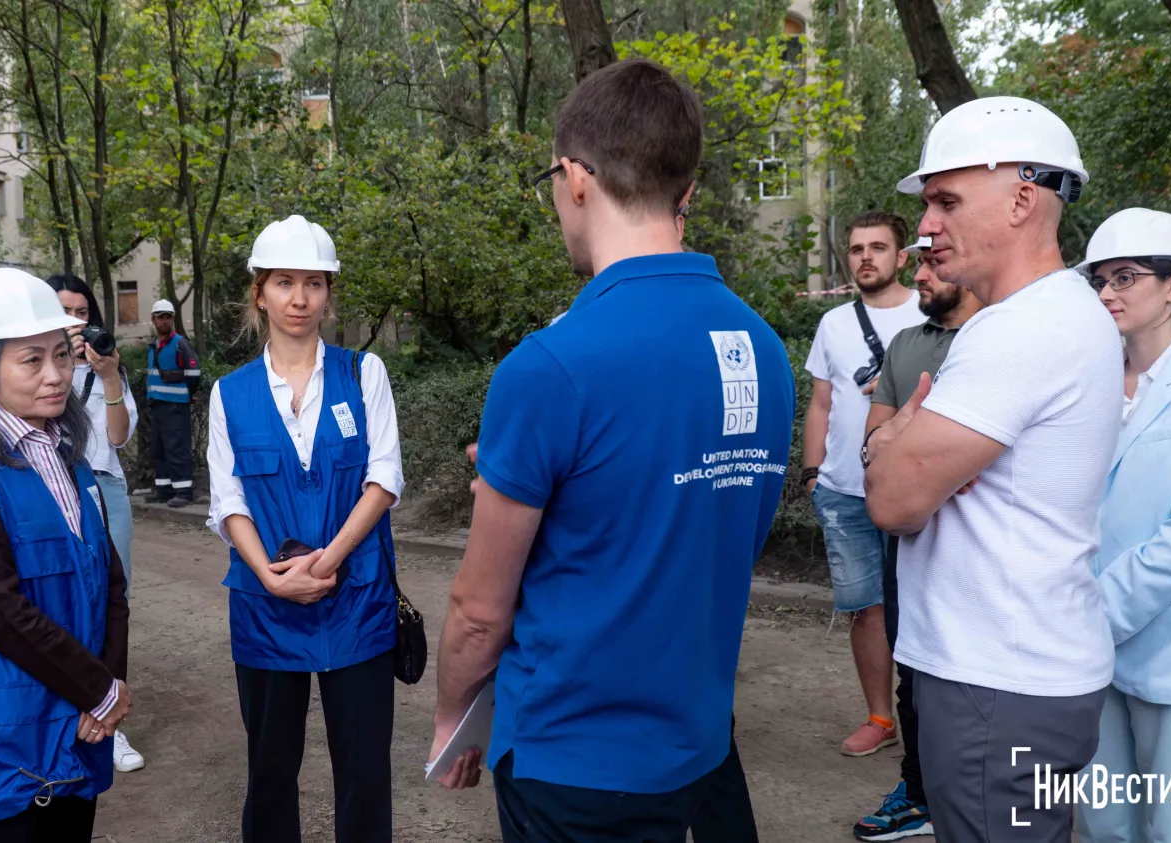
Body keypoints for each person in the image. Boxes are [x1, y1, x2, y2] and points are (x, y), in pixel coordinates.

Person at [430, 58, 793, 843]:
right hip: (700, 748)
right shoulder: (763, 349)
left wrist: (453, 719)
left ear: (574, 176)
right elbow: (705, 528)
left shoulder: (549, 366)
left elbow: (477, 612)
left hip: (575, 764)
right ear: (685, 190)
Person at [864, 96, 1120, 843]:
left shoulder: (1021, 330)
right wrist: (909, 444)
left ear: (1021, 198)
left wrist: (895, 438)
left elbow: (892, 497)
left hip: (997, 681)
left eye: (946, 200)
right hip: (1017, 672)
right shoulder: (1056, 314)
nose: (926, 226)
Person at [205, 213, 404, 843]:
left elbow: (384, 479)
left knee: (365, 771)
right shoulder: (228, 394)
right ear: (259, 291)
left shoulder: (363, 373)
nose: (300, 299)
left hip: (357, 600)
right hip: (266, 608)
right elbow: (227, 499)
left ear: (328, 292)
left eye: (314, 284)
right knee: (269, 771)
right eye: (285, 282)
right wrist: (269, 575)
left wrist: (327, 562)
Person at [0, 267, 131, 841]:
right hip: (3, 728)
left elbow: (109, 583)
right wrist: (99, 688)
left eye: (62, 355)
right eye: (31, 360)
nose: (55, 374)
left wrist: (106, 687)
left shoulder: (70, 458)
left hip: (79, 719)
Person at [1072, 209, 1171, 843]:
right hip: (1082, 654)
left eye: (1125, 277)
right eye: (1099, 280)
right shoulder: (1088, 383)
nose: (1107, 293)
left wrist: (1090, 618)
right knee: (1103, 825)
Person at [852, 237, 984, 842]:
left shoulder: (997, 341)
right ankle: (918, 790)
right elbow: (871, 448)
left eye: (932, 266)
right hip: (905, 545)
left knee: (975, 675)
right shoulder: (907, 344)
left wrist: (900, 450)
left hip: (979, 549)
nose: (921, 276)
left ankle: (971, 794)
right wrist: (893, 450)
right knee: (912, 667)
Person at [803, 210, 926, 758]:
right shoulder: (833, 324)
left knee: (924, 605)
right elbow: (822, 403)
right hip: (843, 490)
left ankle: (931, 720)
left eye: (878, 247)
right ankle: (881, 717)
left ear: (902, 256)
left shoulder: (932, 311)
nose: (866, 258)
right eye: (856, 249)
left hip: (918, 488)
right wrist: (811, 476)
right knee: (865, 608)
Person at [45, 271, 145, 774]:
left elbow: (120, 436)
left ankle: (110, 721)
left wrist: (107, 375)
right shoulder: (32, 372)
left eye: (81, 313)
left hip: (102, 487)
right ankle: (60, 716)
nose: (74, 323)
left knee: (112, 604)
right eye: (63, 312)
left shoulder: (107, 370)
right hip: (46, 488)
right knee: (54, 603)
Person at [145, 299, 200, 508]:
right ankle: (164, 490)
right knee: (159, 450)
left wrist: (190, 392)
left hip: (176, 406)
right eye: (161, 317)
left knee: (177, 449)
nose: (165, 321)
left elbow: (194, 373)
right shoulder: (154, 346)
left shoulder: (180, 343)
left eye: (168, 317)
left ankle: (184, 492)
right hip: (158, 405)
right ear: (153, 320)